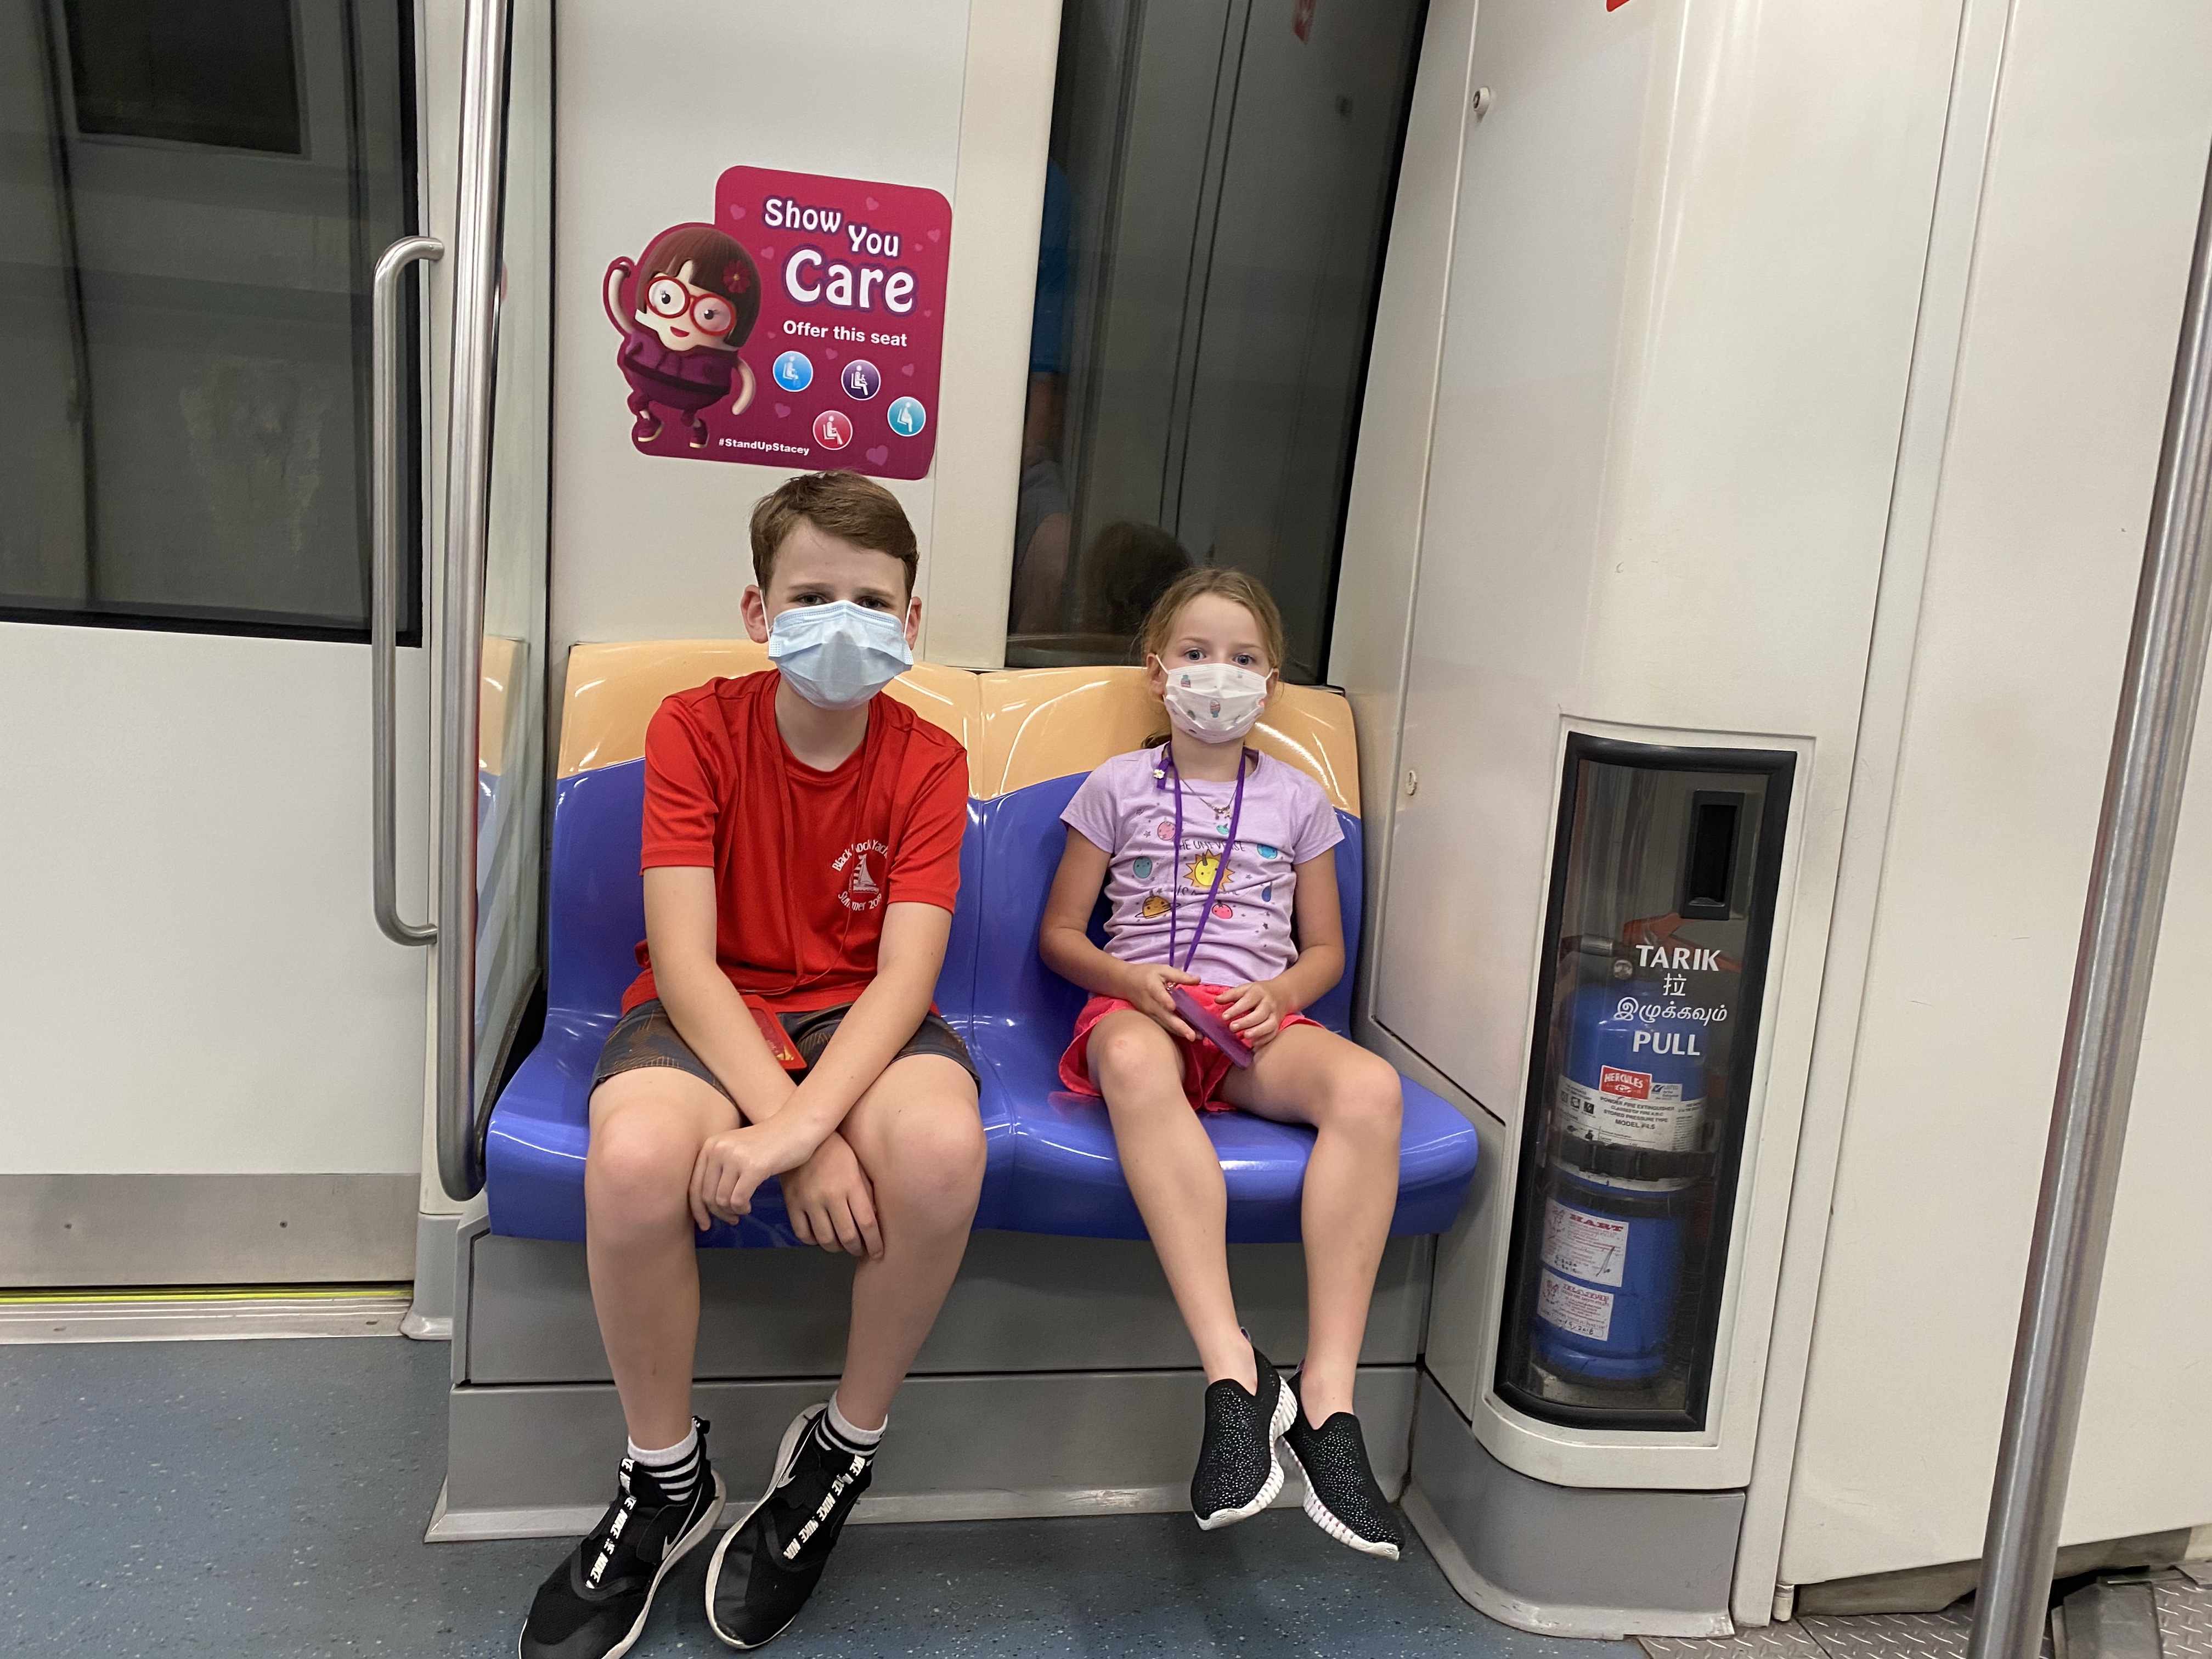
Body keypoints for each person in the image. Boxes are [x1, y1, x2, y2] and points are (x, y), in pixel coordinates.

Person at [520, 471, 986, 1658]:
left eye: (871, 602)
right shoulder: (693, 729)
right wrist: (804, 1138)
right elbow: (685, 964)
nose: (843, 622)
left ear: (912, 622)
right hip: (713, 1007)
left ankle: (843, 1448)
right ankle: (665, 1475)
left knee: (942, 1152)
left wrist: (794, 1126)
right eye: (812, 596)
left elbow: (904, 979)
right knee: (634, 1162)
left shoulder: (931, 762)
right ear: (757, 610)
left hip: (857, 1016)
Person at [1037, 568, 1407, 1559]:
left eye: (1243, 658)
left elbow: (1323, 950)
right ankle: (1234, 1373)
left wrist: (1280, 997)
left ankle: (1327, 1401)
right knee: (1129, 1058)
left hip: (1255, 1029)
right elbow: (1060, 936)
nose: (1219, 673)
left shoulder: (1299, 801)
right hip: (1144, 1011)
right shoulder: (1115, 787)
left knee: (1370, 1089)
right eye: (1197, 653)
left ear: (1272, 682)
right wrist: (1131, 979)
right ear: (1157, 671)